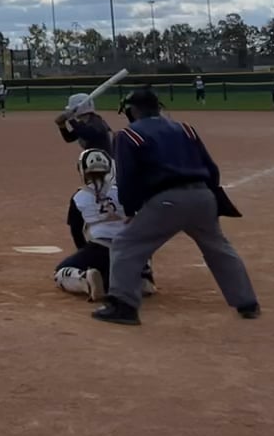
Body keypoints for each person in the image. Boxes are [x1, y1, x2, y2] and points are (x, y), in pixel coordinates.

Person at [93, 89, 258, 326]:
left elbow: (127, 178)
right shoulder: (185, 129)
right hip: (203, 196)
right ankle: (247, 303)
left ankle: (124, 306)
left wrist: (131, 210)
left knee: (126, 244)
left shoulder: (128, 135)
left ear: (133, 110)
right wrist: (210, 196)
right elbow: (211, 169)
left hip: (167, 200)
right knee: (219, 248)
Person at [54, 148, 156, 301]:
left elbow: (76, 231)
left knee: (60, 272)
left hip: (100, 248)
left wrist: (85, 254)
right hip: (129, 248)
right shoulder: (123, 191)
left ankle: (86, 280)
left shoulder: (79, 197)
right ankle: (143, 277)